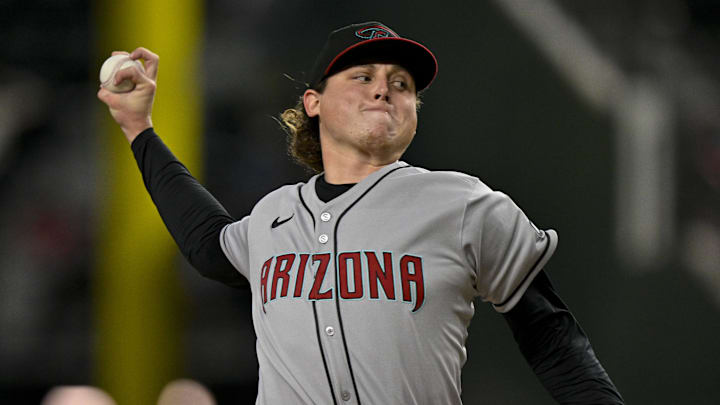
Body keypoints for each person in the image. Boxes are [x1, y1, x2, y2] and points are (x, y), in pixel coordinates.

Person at [98, 21, 624, 405]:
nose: (384, 88)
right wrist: (138, 129)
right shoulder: (273, 216)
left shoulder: (465, 204)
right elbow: (210, 247)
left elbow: (553, 339)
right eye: (362, 75)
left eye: (402, 84)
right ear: (313, 102)